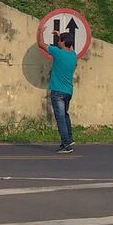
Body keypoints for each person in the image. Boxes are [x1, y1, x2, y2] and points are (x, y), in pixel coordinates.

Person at [37, 25, 78, 153]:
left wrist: (40, 32)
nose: (58, 42)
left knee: (60, 118)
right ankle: (68, 139)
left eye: (59, 41)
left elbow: (40, 44)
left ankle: (66, 144)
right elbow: (68, 45)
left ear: (63, 43)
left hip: (57, 92)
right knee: (65, 115)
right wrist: (60, 35)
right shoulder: (73, 55)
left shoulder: (57, 53)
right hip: (68, 91)